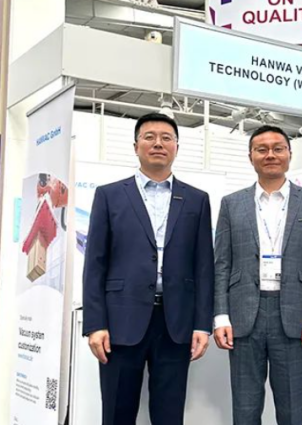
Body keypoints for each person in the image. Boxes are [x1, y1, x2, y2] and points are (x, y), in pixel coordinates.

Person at [83, 113, 214, 425]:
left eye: (166, 138)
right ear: (136, 146)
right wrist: (95, 324)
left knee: (169, 415)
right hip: (120, 321)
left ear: (176, 147)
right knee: (117, 413)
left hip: (175, 323)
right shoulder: (109, 195)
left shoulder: (196, 200)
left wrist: (202, 325)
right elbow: (95, 263)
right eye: (149, 137)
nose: (158, 143)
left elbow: (204, 266)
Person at [214, 125, 302, 425]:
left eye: (278, 148)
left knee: (292, 411)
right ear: (250, 156)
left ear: (289, 154)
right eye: (261, 149)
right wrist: (221, 317)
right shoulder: (231, 203)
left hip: (294, 317)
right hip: (243, 316)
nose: (270, 155)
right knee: (245, 410)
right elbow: (222, 264)